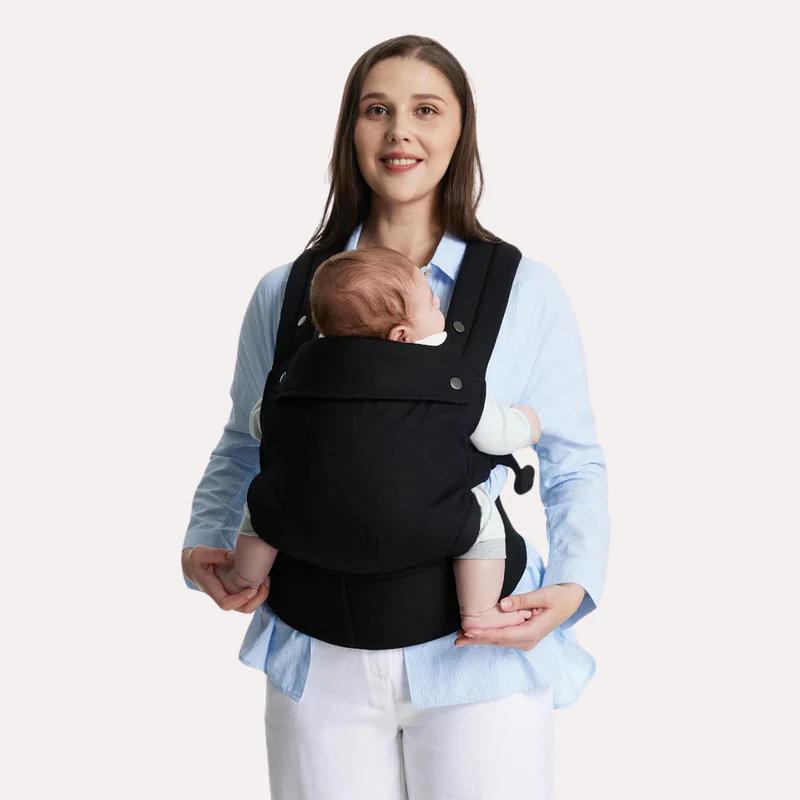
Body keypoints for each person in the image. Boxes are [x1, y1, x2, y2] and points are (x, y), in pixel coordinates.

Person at [182, 34, 609, 799]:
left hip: (481, 662)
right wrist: (205, 539)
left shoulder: (527, 291)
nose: (400, 131)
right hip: (317, 657)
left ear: (460, 129)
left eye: (426, 110)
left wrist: (575, 586)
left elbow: (574, 460)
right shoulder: (286, 292)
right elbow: (246, 441)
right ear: (350, 129)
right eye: (376, 109)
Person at [214, 245, 543, 632]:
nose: (439, 303)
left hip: (309, 524)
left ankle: (244, 578)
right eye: (432, 302)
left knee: (266, 506)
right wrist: (528, 423)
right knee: (484, 517)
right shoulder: (449, 380)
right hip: (423, 524)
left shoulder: (299, 374)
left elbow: (260, 424)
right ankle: (479, 612)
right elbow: (498, 436)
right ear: (401, 336)